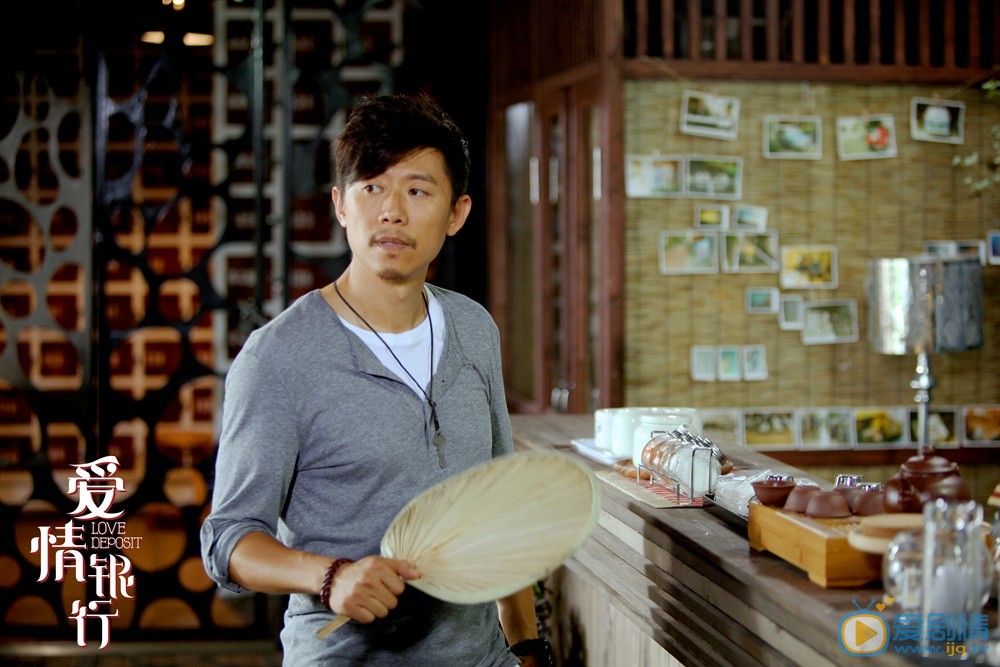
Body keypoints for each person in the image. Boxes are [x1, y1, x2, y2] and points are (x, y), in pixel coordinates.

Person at [200, 93, 551, 666]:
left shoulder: (472, 328)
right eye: (371, 187)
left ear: (457, 213)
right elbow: (228, 540)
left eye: (417, 190)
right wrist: (329, 576)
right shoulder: (279, 358)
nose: (391, 211)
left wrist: (526, 646)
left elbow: (498, 506)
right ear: (341, 205)